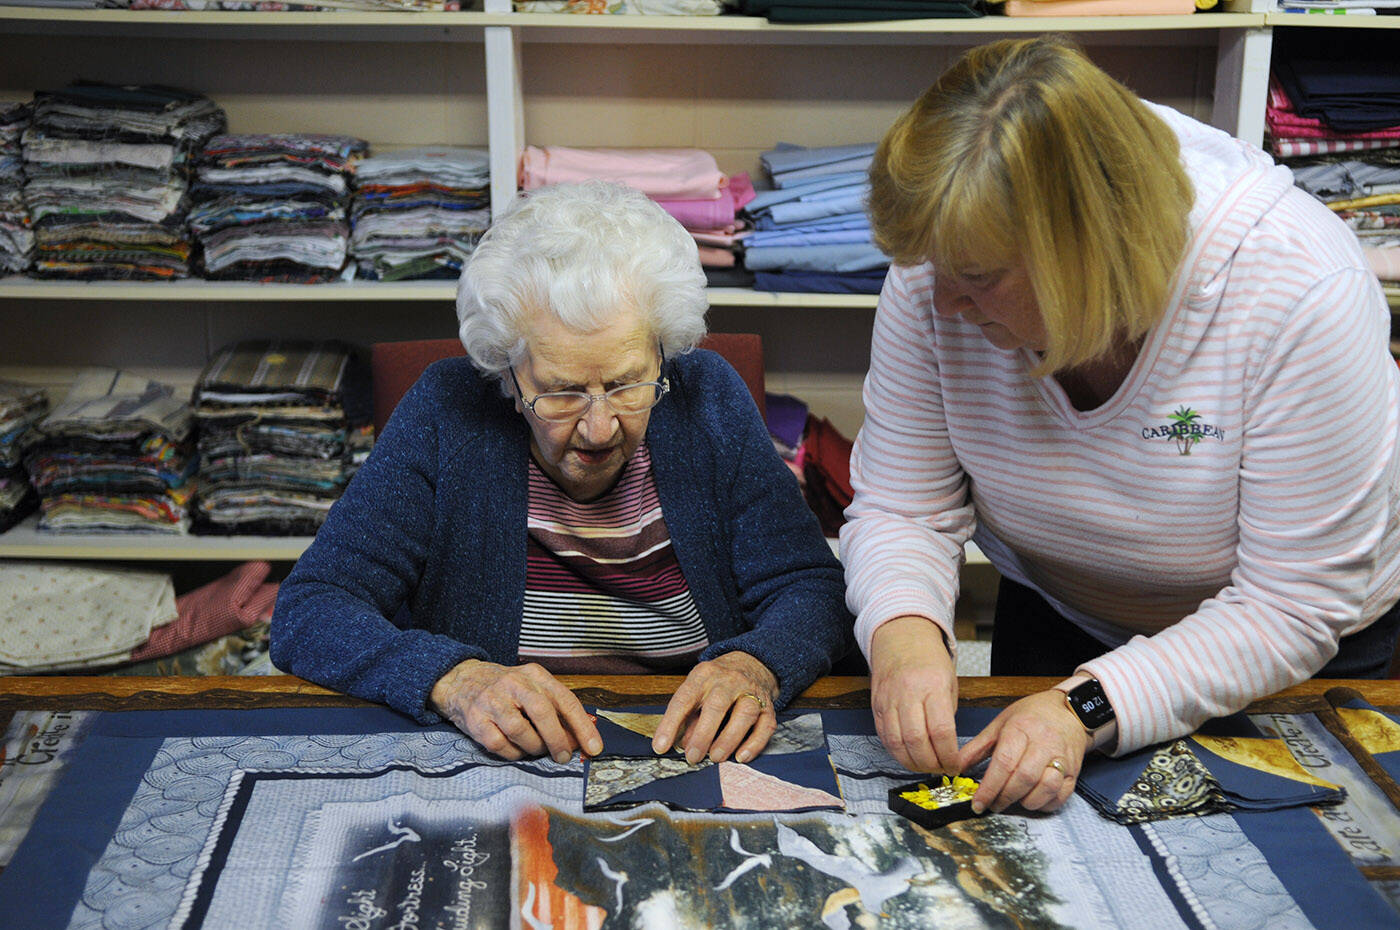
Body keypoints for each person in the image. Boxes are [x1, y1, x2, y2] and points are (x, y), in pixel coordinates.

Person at [843, 36, 1400, 818]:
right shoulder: (948, 257)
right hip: (1060, 612)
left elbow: (1290, 604)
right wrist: (902, 631)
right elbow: (904, 504)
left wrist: (1088, 708)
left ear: (1089, 250)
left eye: (977, 279)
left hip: (1290, 658)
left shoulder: (1299, 288)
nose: (940, 304)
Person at [272, 180, 851, 767]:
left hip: (698, 754)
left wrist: (755, 665)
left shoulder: (708, 399)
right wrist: (456, 680)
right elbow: (312, 608)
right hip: (499, 759)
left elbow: (810, 589)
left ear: (663, 352)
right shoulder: (446, 411)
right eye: (560, 393)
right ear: (507, 370)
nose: (599, 429)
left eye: (627, 384)